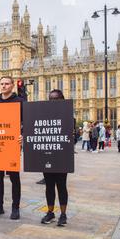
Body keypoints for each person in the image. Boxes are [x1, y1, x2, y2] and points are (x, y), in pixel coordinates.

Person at [0, 76, 24, 220]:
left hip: (12, 144)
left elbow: (27, 120)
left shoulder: (20, 101)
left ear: (12, 85)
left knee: (14, 177)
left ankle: (15, 207)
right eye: (2, 84)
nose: (4, 86)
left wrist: (23, 135)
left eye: (7, 84)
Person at [40, 89, 70, 227]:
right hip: (47, 156)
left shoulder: (68, 115)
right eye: (51, 99)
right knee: (49, 186)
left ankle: (63, 214)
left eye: (56, 99)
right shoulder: (43, 116)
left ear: (62, 100)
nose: (53, 101)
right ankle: (50, 212)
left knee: (61, 186)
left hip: (61, 157)